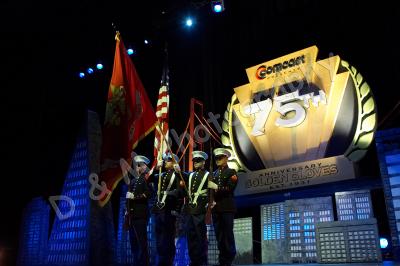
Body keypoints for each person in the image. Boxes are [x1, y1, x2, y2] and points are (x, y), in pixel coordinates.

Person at [151, 152, 186, 266]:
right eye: (165, 160)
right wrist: (156, 168)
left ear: (175, 162)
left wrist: (179, 171)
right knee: (159, 236)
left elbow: (181, 193)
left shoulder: (177, 175)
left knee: (168, 237)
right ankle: (161, 261)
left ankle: (168, 261)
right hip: (158, 209)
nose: (166, 161)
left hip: (169, 209)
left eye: (169, 160)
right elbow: (149, 179)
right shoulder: (161, 174)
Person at [208, 148, 238, 266]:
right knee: (219, 236)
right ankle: (223, 260)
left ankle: (229, 258)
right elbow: (209, 192)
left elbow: (230, 188)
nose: (218, 160)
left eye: (220, 158)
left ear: (226, 158)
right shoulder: (213, 174)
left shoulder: (232, 172)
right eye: (217, 158)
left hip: (227, 207)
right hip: (216, 209)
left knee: (227, 234)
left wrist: (216, 188)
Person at [184, 151, 210, 266]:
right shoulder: (190, 175)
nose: (195, 162)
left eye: (198, 161)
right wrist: (177, 170)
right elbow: (182, 175)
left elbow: (212, 192)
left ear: (204, 162)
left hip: (200, 209)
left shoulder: (208, 175)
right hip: (190, 210)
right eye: (194, 161)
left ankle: (202, 261)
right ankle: (193, 261)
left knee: (200, 237)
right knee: (191, 237)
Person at [125, 155, 152, 266]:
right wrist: (127, 210)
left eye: (139, 165)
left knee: (142, 241)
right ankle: (136, 262)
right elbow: (128, 198)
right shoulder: (133, 181)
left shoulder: (145, 180)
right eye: (136, 165)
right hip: (132, 215)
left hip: (140, 214)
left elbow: (148, 194)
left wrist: (134, 197)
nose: (137, 167)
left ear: (144, 167)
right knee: (133, 241)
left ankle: (144, 263)